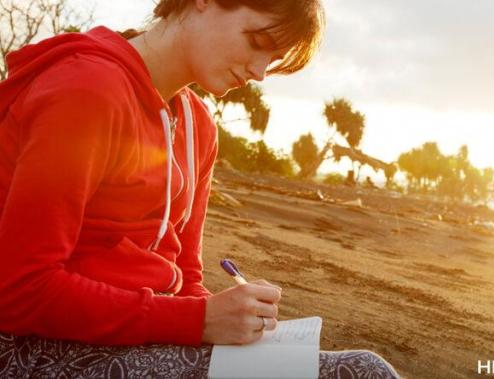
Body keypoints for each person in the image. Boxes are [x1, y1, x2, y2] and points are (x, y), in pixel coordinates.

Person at [0, 0, 400, 377]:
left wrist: (225, 317)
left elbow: (185, 274)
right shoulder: (87, 88)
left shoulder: (198, 125)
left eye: (273, 62)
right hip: (30, 347)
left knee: (357, 367)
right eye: (258, 42)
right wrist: (199, 320)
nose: (260, 72)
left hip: (133, 338)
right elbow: (20, 290)